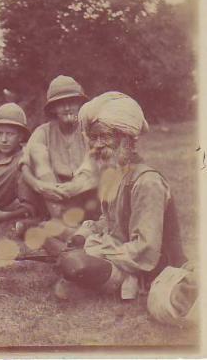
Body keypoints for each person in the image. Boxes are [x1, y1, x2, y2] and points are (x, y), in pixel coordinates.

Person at [46, 91, 187, 300]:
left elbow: (145, 249)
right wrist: (82, 236)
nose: (98, 145)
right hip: (117, 252)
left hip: (148, 268)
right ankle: (77, 271)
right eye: (93, 138)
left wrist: (93, 251)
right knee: (49, 237)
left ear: (126, 139)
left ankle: (98, 277)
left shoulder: (147, 182)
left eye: (105, 136)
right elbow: (110, 222)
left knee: (73, 264)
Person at [20, 75, 99, 222]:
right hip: (51, 194)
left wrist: (76, 187)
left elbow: (99, 168)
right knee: (36, 153)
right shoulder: (43, 131)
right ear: (53, 109)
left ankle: (60, 225)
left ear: (80, 104)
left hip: (85, 192)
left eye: (72, 102)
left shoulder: (91, 131)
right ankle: (59, 219)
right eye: (61, 104)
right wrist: (40, 186)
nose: (67, 107)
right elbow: (25, 165)